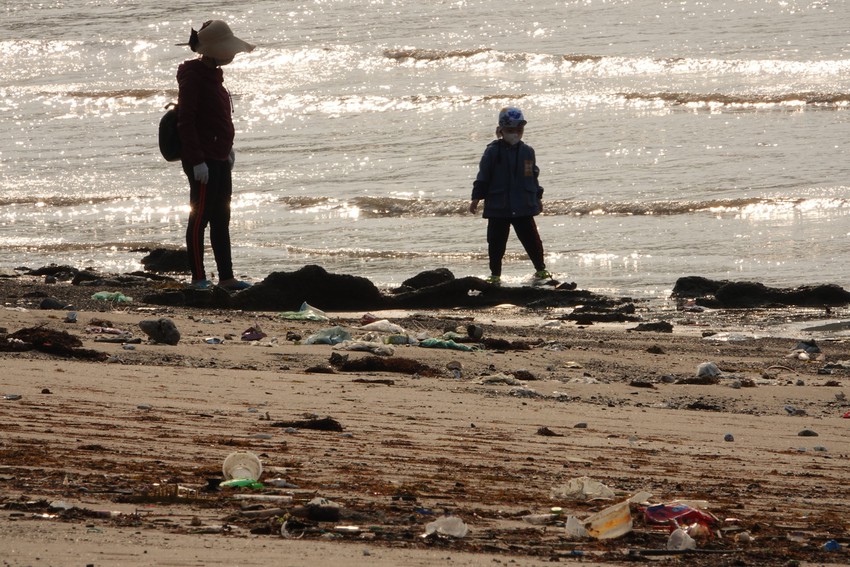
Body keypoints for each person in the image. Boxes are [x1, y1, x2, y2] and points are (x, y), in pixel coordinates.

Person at [176, 20, 255, 291]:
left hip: (219, 156)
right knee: (200, 217)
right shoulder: (193, 76)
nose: (232, 54)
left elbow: (216, 119)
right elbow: (185, 120)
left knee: (222, 216)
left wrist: (228, 149)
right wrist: (197, 160)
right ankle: (198, 278)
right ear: (211, 51)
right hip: (202, 159)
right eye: (227, 48)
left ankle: (226, 277)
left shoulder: (214, 75)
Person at [469, 107, 551, 285]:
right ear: (501, 130)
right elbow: (483, 176)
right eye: (511, 130)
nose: (515, 134)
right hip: (498, 206)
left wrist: (537, 196)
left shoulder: (527, 152)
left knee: (532, 240)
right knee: (496, 242)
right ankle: (495, 274)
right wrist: (476, 197)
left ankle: (541, 269)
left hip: (524, 205)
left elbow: (532, 176)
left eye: (519, 130)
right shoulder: (492, 152)